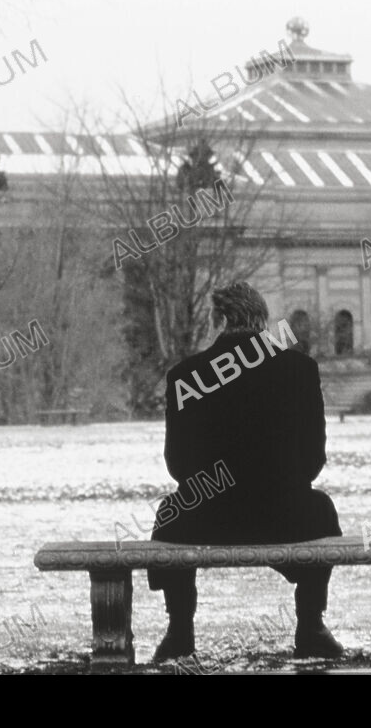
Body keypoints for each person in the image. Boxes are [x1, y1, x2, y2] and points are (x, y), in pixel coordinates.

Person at [148, 281, 343, 662]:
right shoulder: (300, 369)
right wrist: (281, 483)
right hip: (286, 513)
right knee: (323, 510)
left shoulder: (186, 376)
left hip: (206, 515)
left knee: (170, 511)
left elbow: (178, 465)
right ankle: (310, 624)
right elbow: (313, 459)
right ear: (262, 320)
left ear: (219, 319)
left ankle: (179, 630)